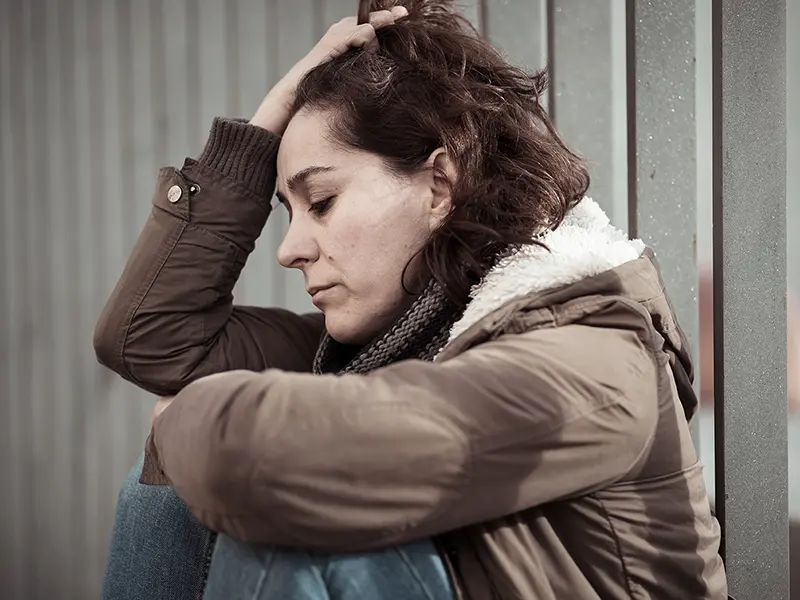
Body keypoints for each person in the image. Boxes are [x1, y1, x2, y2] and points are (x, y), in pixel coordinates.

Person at [94, 1, 729, 598]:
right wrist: (260, 131)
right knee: (165, 497)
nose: (288, 250)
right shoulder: (376, 347)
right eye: (288, 210)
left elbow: (270, 452)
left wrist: (184, 420)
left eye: (321, 202)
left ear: (438, 185)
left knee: (295, 539)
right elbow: (153, 336)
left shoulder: (594, 353)